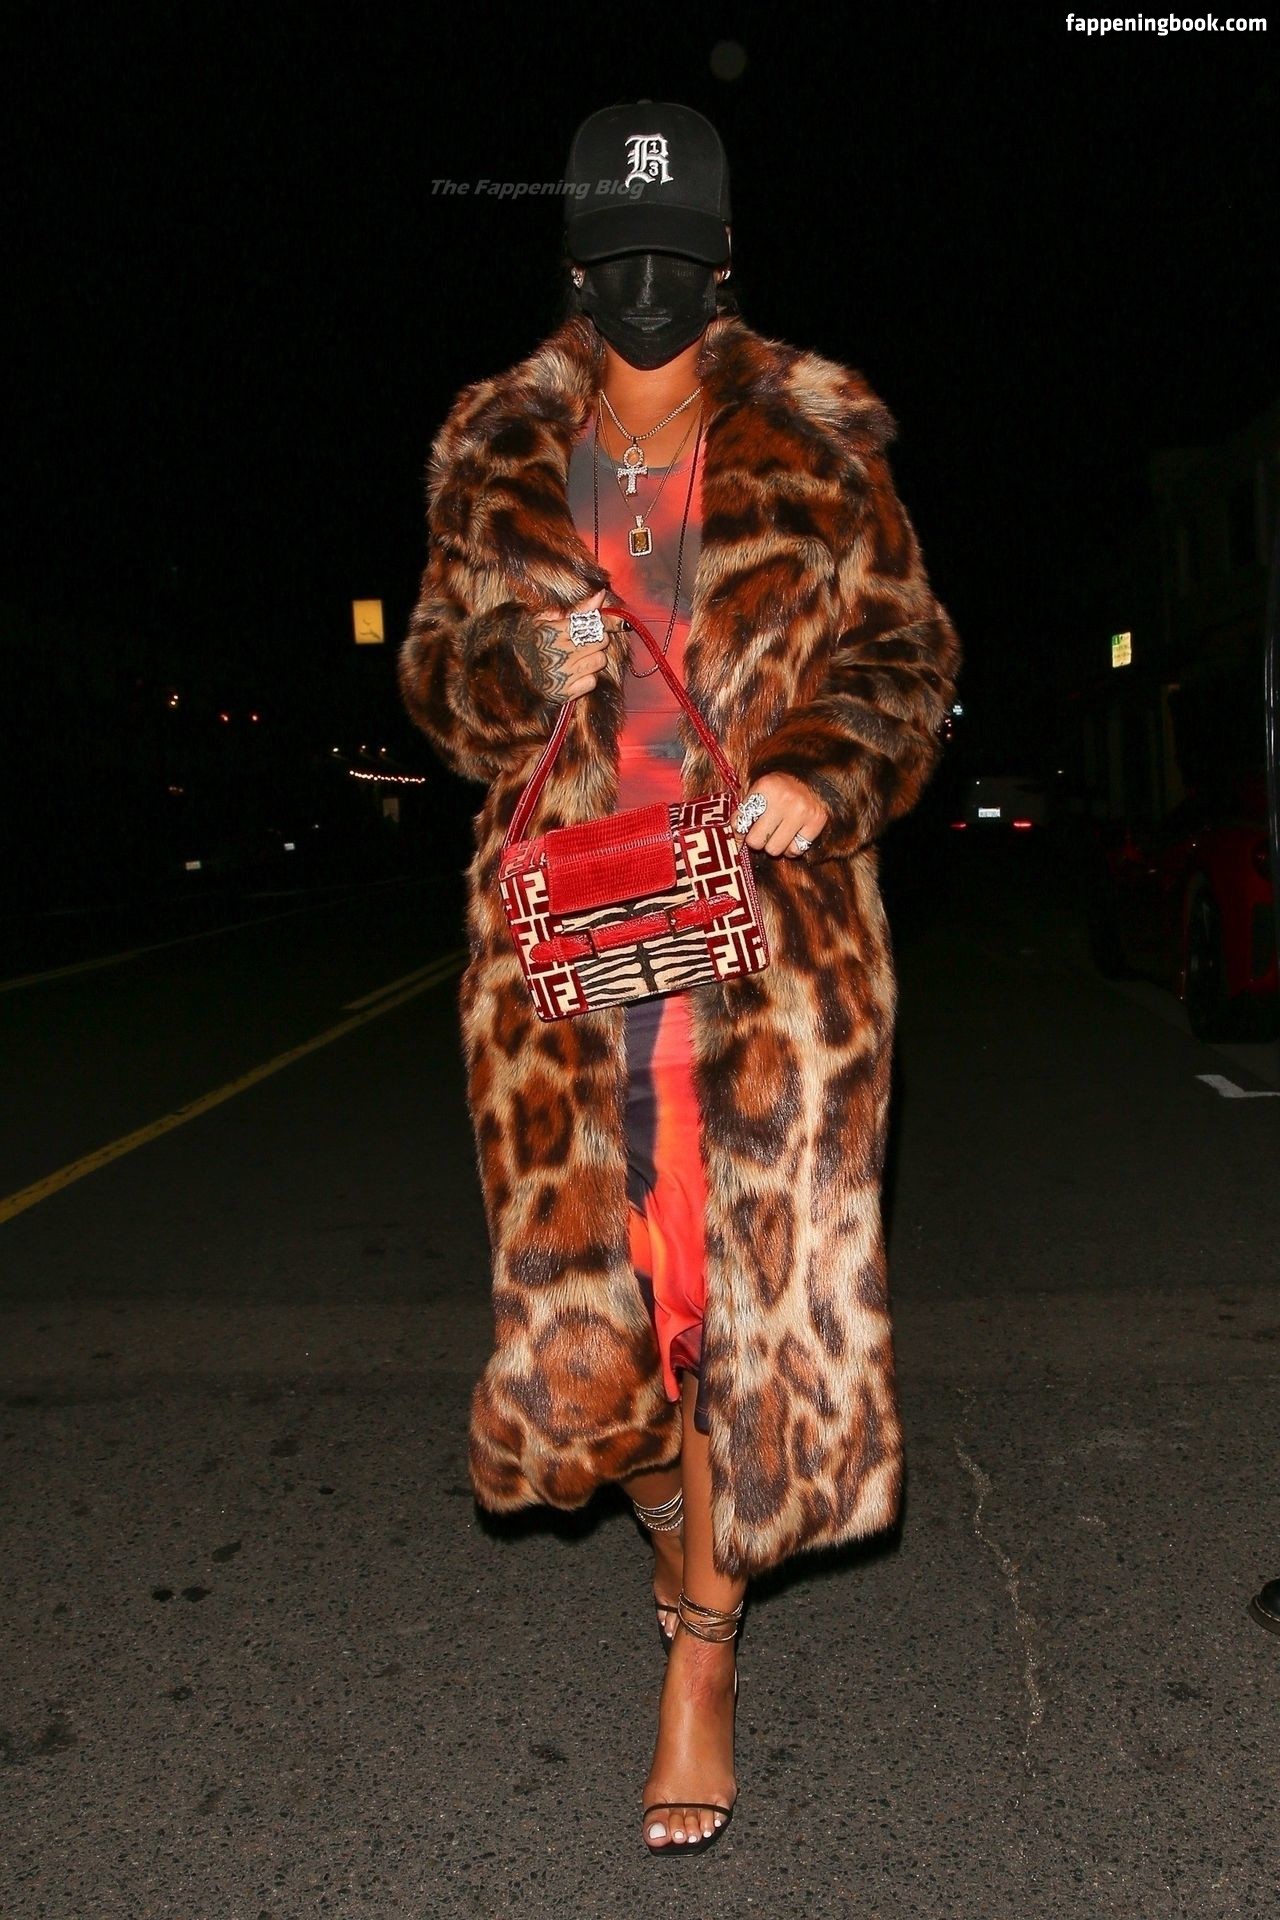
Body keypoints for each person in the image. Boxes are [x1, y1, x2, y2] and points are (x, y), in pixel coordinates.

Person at [399, 100, 961, 1854]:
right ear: (575, 265)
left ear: (722, 266)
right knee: (599, 1355)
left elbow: (905, 652)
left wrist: (822, 765)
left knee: (730, 1317)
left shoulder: (819, 442)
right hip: (566, 954)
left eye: (676, 258)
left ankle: (702, 1661)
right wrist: (523, 660)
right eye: (616, 259)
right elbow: (436, 682)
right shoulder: (495, 449)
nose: (646, 289)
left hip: (767, 945)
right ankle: (667, 1520)